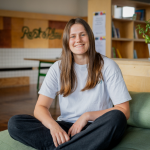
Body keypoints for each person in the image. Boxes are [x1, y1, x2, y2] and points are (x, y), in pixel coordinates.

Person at [8, 18, 131, 150]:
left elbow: (124, 110)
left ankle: (67, 146)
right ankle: (79, 145)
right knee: (16, 123)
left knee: (117, 117)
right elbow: (40, 107)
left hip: (97, 128)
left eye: (82, 35)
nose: (78, 40)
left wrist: (86, 116)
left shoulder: (108, 65)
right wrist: (54, 127)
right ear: (67, 41)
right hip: (66, 127)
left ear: (90, 37)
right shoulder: (57, 68)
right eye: (73, 36)